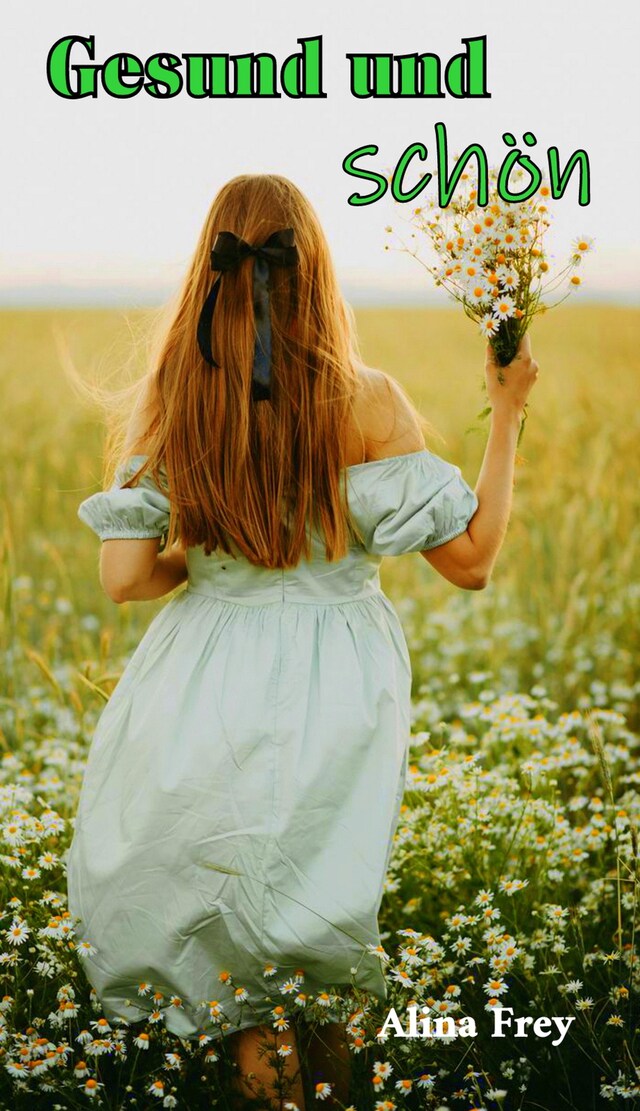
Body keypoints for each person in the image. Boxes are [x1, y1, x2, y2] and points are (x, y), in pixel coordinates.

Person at [66, 172, 539, 1109]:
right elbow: (474, 560)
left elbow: (123, 577)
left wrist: (206, 569)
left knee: (245, 966)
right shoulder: (367, 399)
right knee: (319, 939)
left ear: (212, 272)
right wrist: (507, 409)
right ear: (315, 269)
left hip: (205, 675)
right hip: (338, 685)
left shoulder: (176, 391)